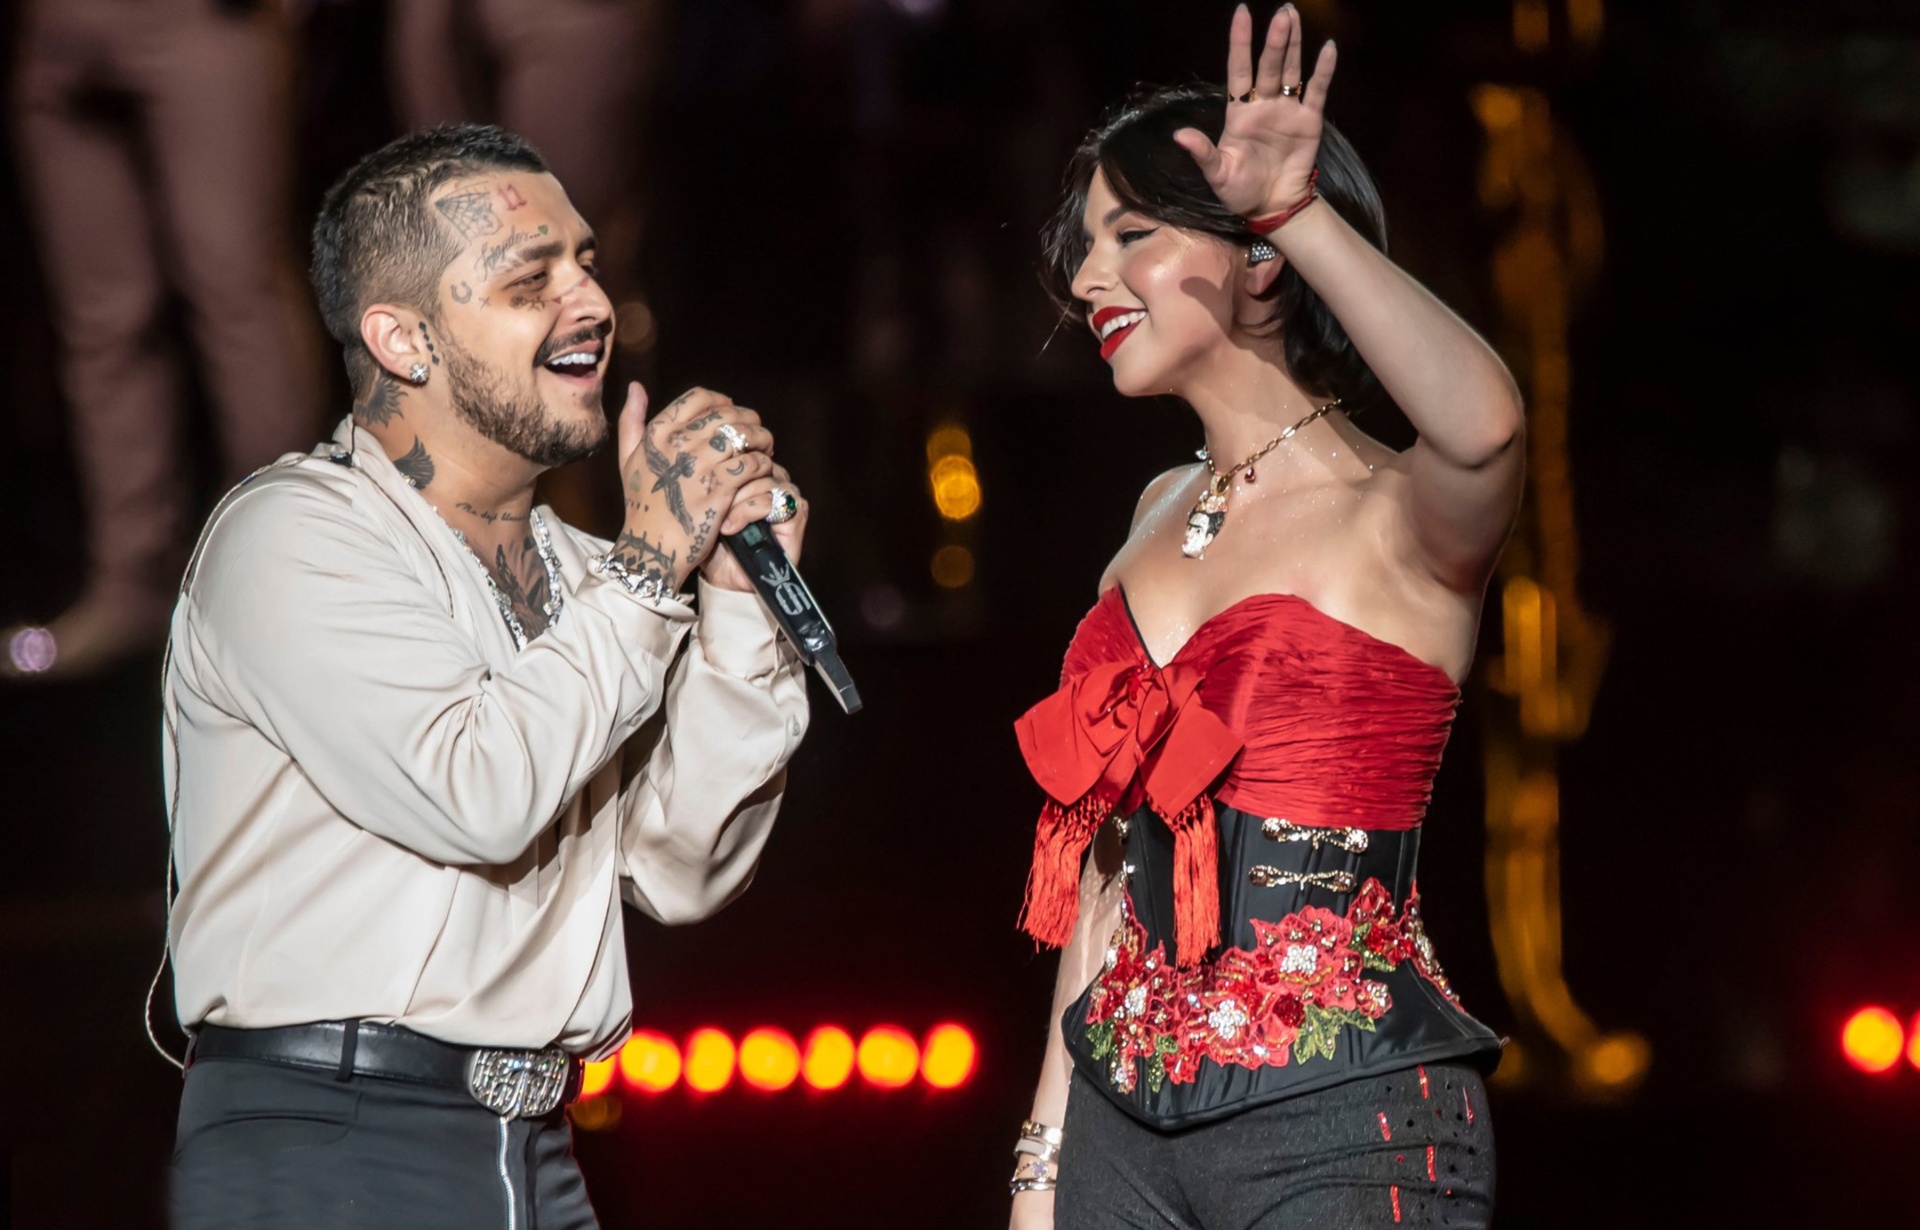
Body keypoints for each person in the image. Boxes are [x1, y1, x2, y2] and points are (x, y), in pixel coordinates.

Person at [163, 124, 811, 1229]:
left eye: (589, 263)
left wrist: (745, 616)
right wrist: (656, 572)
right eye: (531, 280)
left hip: (536, 1148)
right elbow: (476, 791)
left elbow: (682, 869)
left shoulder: (592, 577)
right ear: (404, 340)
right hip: (330, 1133)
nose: (592, 304)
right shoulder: (292, 535)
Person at [1007, 7, 1522, 1228]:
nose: (1087, 282)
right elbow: (1105, 876)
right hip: (1117, 1131)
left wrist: (1295, 210)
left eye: (1129, 236)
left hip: (1344, 1122)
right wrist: (1040, 1160)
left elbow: (1487, 422)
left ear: (1259, 256)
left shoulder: (1400, 511)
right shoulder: (1151, 511)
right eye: (1085, 246)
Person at [5, 0, 322, 679]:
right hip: (56, 31)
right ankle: (132, 584)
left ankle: (285, 582)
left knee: (235, 289)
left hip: (202, 21)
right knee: (102, 320)